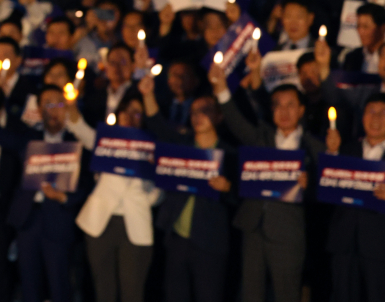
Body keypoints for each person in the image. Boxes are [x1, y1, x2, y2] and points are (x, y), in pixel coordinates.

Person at [210, 63, 323, 302]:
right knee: (250, 294)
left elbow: (325, 191)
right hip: (253, 227)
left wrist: (309, 185)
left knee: (286, 294)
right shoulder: (261, 137)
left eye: (290, 105)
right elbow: (236, 122)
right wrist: (221, 89)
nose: (284, 111)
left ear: (302, 110)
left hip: (288, 233)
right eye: (278, 105)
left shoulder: (314, 147)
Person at [0, 79, 83, 302]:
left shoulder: (76, 141)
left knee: (59, 285)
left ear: (65, 107)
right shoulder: (29, 139)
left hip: (58, 220)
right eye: (47, 104)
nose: (53, 110)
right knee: (29, 284)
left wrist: (65, 197)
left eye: (58, 104)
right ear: (38, 109)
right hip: (28, 221)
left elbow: (87, 185)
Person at [140, 76, 233, 302]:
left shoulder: (230, 155)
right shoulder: (181, 146)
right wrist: (147, 94)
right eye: (193, 112)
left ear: (219, 116)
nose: (197, 116)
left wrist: (228, 187)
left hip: (210, 243)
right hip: (177, 240)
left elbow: (241, 199)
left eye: (205, 111)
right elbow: (157, 125)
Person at [323, 93, 385, 302]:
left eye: (383, 113)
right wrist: (331, 155)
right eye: (371, 112)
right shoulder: (346, 150)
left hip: (381, 248)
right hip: (344, 244)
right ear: (362, 118)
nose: (376, 118)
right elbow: (325, 190)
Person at [67, 91, 158, 302]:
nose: (129, 116)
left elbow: (159, 193)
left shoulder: (152, 147)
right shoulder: (107, 140)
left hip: (136, 223)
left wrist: (147, 196)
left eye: (137, 112)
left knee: (132, 293)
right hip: (100, 222)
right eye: (126, 111)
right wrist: (71, 106)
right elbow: (81, 130)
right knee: (104, 291)